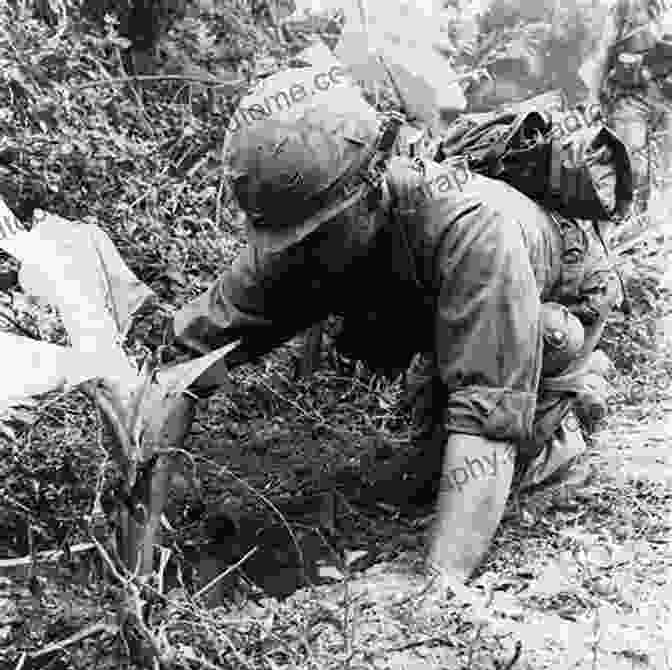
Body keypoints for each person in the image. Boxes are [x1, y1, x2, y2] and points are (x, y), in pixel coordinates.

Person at [155, 65, 621, 594]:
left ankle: (569, 397)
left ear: (375, 185)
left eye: (322, 233)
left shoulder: (472, 229)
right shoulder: (301, 231)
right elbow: (183, 359)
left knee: (511, 443)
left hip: (555, 291)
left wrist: (437, 593)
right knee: (427, 469)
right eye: (292, 243)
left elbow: (489, 422)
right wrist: (144, 524)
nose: (303, 255)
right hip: (446, 303)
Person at [581, 0, 672, 210]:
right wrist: (593, 101)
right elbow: (603, 53)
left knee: (664, 177)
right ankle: (621, 224)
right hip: (631, 98)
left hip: (666, 102)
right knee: (630, 170)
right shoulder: (626, 6)